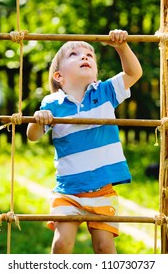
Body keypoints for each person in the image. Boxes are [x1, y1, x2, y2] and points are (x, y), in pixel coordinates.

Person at [26, 29, 142, 254]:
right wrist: (38, 119)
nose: (84, 57)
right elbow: (32, 136)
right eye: (74, 55)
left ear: (96, 73)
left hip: (102, 191)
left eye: (90, 55)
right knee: (61, 244)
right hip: (68, 191)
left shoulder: (105, 92)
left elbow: (134, 73)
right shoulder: (53, 103)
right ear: (58, 76)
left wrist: (121, 46)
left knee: (104, 246)